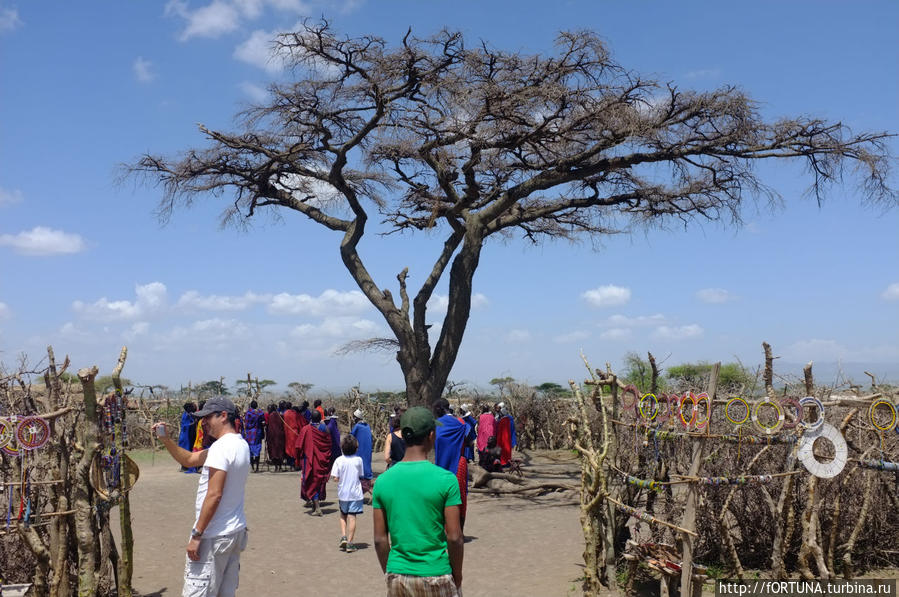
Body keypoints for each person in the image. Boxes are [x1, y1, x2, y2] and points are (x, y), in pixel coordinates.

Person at [152, 396, 250, 597]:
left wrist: (197, 535)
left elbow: (214, 495)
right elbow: (189, 460)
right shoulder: (239, 444)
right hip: (234, 532)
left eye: (207, 418)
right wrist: (166, 440)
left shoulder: (221, 448)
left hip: (213, 536)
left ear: (223, 416)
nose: (203, 423)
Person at [372, 407, 464, 596]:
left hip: (398, 574)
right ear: (431, 435)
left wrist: (392, 572)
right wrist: (457, 574)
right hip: (436, 573)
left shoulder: (383, 481)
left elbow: (380, 539)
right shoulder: (446, 479)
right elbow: (454, 537)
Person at [432, 399, 472, 530]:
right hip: (459, 463)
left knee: (442, 496)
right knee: (460, 496)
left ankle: (444, 529)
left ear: (439, 409)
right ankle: (459, 530)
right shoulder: (460, 422)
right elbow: (470, 441)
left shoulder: (437, 424)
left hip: (441, 464)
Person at [331, 434, 365, 553]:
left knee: (343, 515)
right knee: (352, 517)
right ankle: (350, 543)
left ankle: (343, 536)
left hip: (343, 493)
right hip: (355, 494)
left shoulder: (338, 460)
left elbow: (335, 478)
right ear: (355, 448)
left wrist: (341, 479)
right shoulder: (358, 460)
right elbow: (361, 475)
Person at [296, 410, 333, 516]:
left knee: (311, 482)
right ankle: (314, 505)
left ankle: (317, 508)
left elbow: (298, 445)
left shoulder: (306, 429)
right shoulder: (325, 428)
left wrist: (298, 458)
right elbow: (329, 445)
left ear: (311, 418)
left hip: (310, 460)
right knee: (317, 482)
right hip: (322, 461)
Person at [349, 408, 374, 493]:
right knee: (366, 467)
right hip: (367, 451)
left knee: (359, 471)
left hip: (360, 452)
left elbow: (351, 438)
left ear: (356, 418)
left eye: (354, 417)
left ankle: (369, 490)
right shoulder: (367, 426)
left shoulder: (357, 426)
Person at [242, 400, 265, 473]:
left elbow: (246, 424)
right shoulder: (260, 413)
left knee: (251, 451)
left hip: (250, 434)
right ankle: (257, 467)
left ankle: (252, 467)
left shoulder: (248, 413)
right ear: (257, 405)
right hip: (258, 433)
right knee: (257, 449)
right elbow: (263, 421)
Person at [265, 403, 286, 472]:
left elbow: (268, 426)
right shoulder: (280, 415)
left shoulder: (271, 416)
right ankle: (279, 467)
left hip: (273, 436)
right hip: (280, 436)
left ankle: (276, 467)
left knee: (274, 451)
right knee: (279, 451)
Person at [179, 402, 197, 473]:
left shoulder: (189, 414)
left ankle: (186, 466)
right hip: (186, 437)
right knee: (185, 451)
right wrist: (194, 423)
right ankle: (184, 466)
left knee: (188, 451)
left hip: (188, 436)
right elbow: (186, 425)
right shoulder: (186, 415)